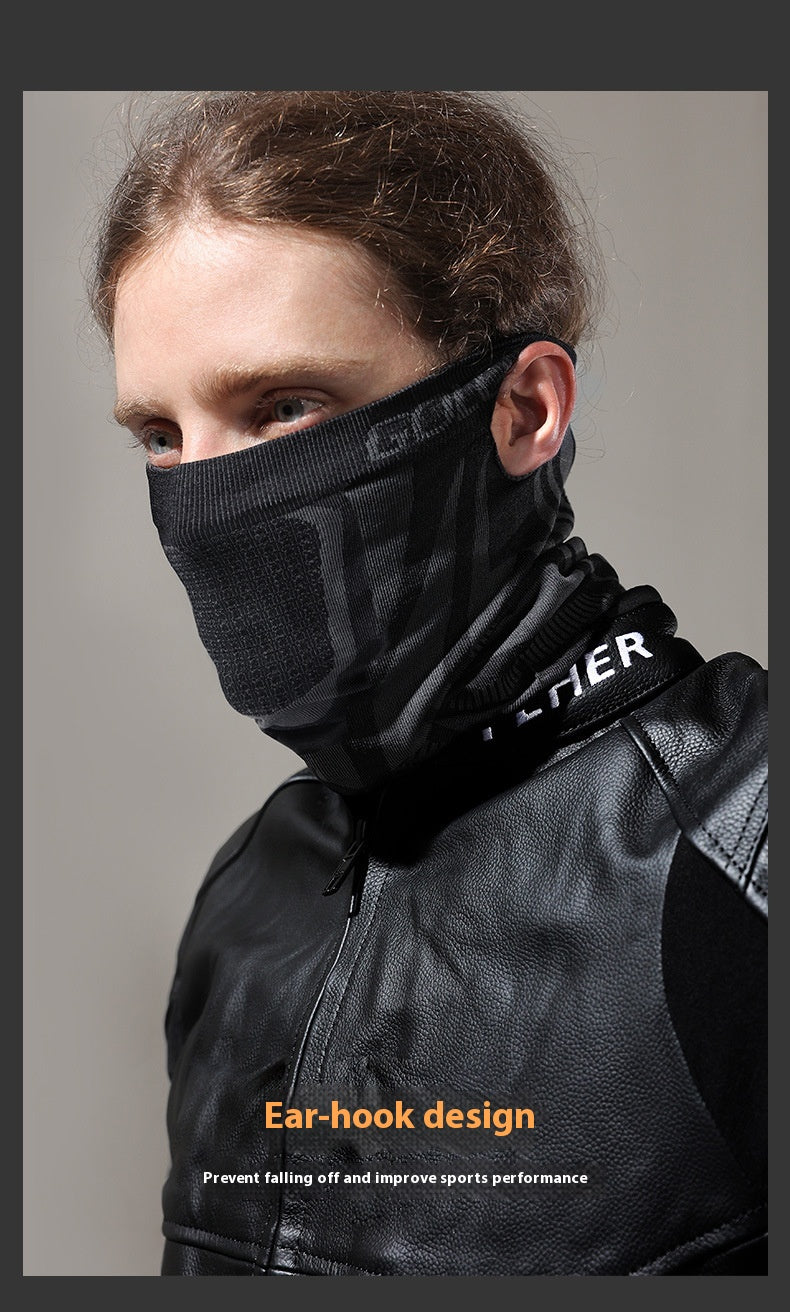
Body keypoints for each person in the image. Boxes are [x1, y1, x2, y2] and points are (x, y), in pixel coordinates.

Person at [88, 90, 767, 1277]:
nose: (204, 499)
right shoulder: (249, 892)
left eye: (282, 406)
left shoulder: (740, 835)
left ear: (524, 409)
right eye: (160, 433)